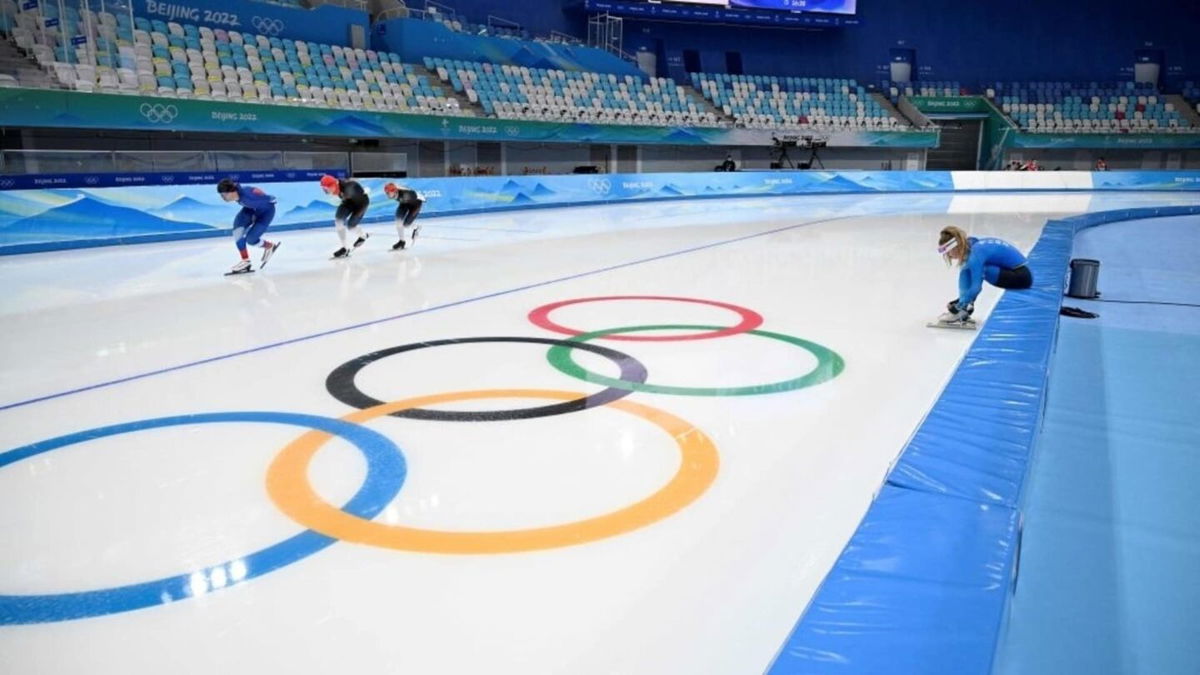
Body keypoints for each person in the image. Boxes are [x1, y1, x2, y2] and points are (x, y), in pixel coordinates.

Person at [935, 225, 1033, 326]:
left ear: (955, 247)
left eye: (948, 252)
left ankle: (962, 309)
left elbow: (976, 287)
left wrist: (959, 304)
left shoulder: (975, 255)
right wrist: (961, 300)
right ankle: (963, 308)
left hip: (1022, 277)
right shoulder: (971, 243)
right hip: (1020, 272)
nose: (949, 256)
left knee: (975, 267)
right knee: (968, 266)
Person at [217, 177, 279, 275]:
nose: (223, 198)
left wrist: (270, 198)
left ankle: (270, 246)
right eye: (221, 195)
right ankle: (245, 261)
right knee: (238, 229)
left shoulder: (248, 196)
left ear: (231, 192)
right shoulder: (238, 195)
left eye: (224, 195)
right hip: (250, 210)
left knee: (251, 240)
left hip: (265, 214)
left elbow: (266, 197)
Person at [320, 174, 370, 258]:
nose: (326, 191)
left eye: (326, 189)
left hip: (361, 204)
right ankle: (345, 248)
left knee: (351, 226)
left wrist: (363, 190)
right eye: (324, 189)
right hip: (349, 201)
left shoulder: (348, 188)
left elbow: (353, 184)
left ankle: (363, 236)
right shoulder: (338, 187)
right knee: (338, 221)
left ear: (333, 185)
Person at [382, 182, 426, 250]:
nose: (387, 194)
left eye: (388, 193)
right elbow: (397, 186)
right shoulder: (396, 191)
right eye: (386, 193)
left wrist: (423, 199)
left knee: (406, 225)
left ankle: (416, 227)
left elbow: (416, 194)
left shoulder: (406, 195)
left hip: (415, 205)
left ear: (394, 191)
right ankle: (401, 242)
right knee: (398, 222)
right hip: (404, 203)